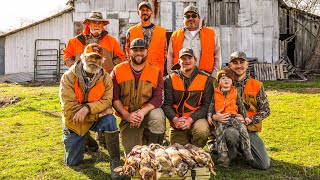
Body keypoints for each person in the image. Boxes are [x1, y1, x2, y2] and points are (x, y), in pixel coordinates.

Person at [63, 11, 126, 150]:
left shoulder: (111, 40)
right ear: (88, 24)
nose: (97, 25)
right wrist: (74, 69)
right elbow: (67, 55)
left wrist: (110, 67)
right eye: (94, 22)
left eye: (100, 23)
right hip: (81, 83)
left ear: (103, 25)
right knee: (80, 111)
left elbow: (121, 56)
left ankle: (105, 140)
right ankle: (86, 140)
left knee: (105, 111)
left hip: (102, 83)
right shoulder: (76, 41)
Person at [59, 43, 121, 179]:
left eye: (97, 58)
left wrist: (87, 109)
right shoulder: (68, 77)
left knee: (110, 120)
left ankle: (115, 160)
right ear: (82, 57)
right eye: (90, 57)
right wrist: (99, 113)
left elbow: (107, 101)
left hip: (91, 118)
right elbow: (70, 110)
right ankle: (86, 139)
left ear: (102, 61)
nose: (94, 61)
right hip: (74, 122)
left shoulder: (106, 78)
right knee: (73, 162)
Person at [211, 51, 270, 170]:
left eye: (242, 62)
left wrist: (249, 120)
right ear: (230, 66)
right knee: (231, 134)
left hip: (249, 129)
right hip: (229, 126)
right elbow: (212, 105)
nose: (238, 65)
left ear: (247, 64)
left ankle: (241, 151)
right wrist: (214, 116)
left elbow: (266, 110)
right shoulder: (222, 85)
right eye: (235, 63)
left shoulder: (256, 85)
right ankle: (231, 154)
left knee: (263, 164)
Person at [111, 38, 166, 155]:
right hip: (128, 117)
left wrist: (141, 112)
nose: (139, 53)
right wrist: (127, 116)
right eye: (135, 50)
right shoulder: (118, 70)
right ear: (129, 52)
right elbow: (114, 97)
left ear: (147, 51)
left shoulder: (156, 71)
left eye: (142, 50)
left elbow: (158, 98)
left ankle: (155, 150)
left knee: (158, 115)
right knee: (132, 156)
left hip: (146, 114)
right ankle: (140, 139)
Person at [162, 48, 213, 148]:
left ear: (195, 60)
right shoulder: (170, 79)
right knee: (177, 150)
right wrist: (175, 119)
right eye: (183, 58)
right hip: (178, 122)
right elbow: (166, 104)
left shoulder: (206, 79)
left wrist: (191, 119)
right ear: (178, 61)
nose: (186, 61)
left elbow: (206, 106)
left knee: (201, 131)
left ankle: (196, 150)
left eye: (189, 58)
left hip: (197, 119)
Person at [208, 67, 254, 167]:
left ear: (232, 81)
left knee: (243, 129)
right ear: (219, 82)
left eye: (228, 78)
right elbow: (211, 105)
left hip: (233, 117)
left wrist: (245, 116)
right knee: (219, 135)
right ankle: (223, 156)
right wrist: (210, 116)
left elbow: (240, 105)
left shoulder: (234, 92)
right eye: (223, 78)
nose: (226, 80)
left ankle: (247, 152)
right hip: (221, 119)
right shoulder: (215, 93)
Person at [166, 5, 221, 78]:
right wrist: (172, 76)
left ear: (199, 18)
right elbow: (170, 57)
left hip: (205, 77)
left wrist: (214, 76)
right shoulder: (175, 35)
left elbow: (217, 56)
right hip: (180, 78)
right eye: (187, 16)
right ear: (183, 19)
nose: (191, 18)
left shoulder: (211, 34)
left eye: (194, 15)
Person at [125, 1, 167, 73]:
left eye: (147, 10)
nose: (145, 12)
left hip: (156, 70)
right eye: (142, 10)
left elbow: (165, 52)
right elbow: (127, 51)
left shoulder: (161, 31)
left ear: (151, 12)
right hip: (137, 70)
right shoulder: (131, 31)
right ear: (138, 13)